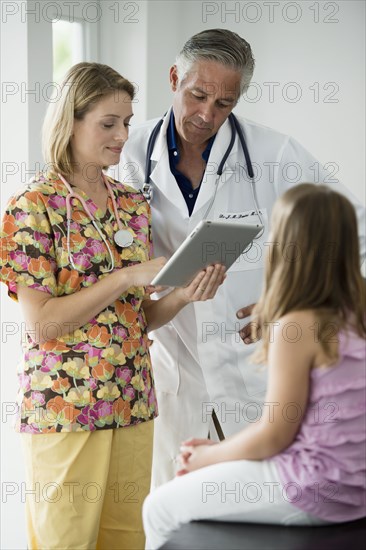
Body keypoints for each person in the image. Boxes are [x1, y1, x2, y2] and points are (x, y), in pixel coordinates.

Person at [117, 28, 366, 488]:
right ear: (174, 77)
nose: (207, 115)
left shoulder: (275, 154)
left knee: (259, 505)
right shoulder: (130, 153)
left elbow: (352, 228)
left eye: (224, 103)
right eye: (197, 96)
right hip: (176, 364)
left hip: (250, 363)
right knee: (177, 508)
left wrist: (292, 305)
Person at [0, 62, 225, 550]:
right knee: (67, 543)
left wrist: (185, 293)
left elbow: (139, 320)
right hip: (66, 407)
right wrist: (124, 276)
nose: (124, 135)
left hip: (132, 402)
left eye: (126, 122)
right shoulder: (32, 207)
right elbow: (43, 325)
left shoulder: (131, 204)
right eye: (108, 123)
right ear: (70, 122)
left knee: (125, 540)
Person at [142, 183, 366, 549]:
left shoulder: (296, 325)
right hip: (355, 487)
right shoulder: (355, 312)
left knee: (158, 508)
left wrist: (207, 457)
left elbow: (275, 434)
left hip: (314, 489)